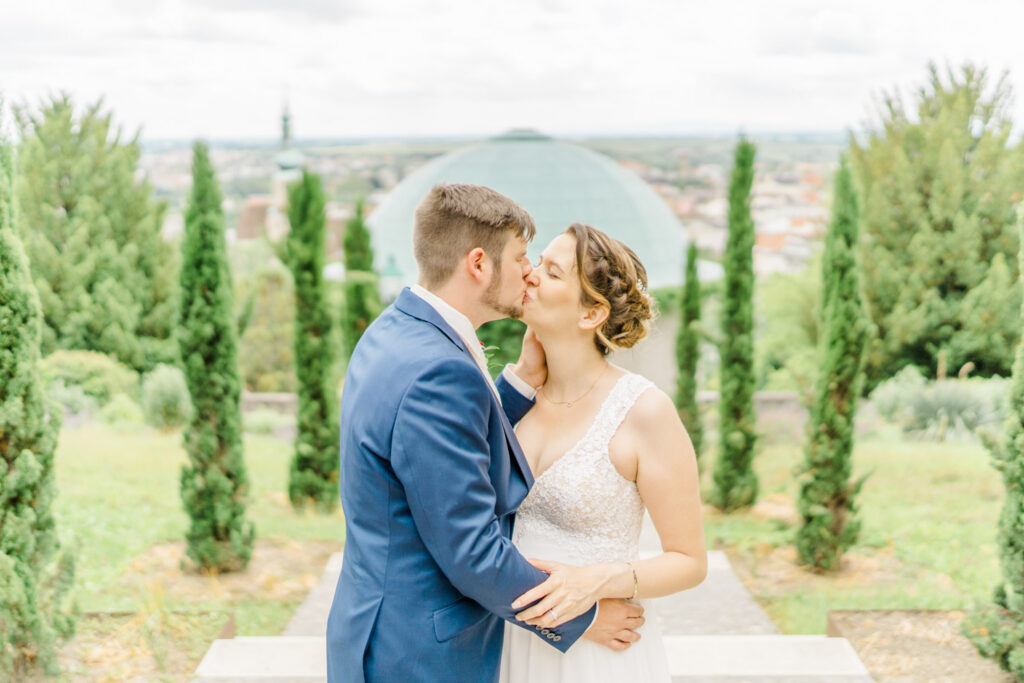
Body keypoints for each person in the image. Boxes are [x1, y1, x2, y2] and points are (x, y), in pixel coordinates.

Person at [326, 185, 644, 683]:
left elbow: (439, 446)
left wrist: (517, 384)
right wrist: (584, 618)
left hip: (376, 625)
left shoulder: (395, 331)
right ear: (478, 263)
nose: (529, 272)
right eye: (520, 257)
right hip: (419, 654)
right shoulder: (438, 371)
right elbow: (471, 551)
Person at [499, 223, 708, 683]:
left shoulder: (644, 411)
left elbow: (689, 562)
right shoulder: (511, 400)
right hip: (509, 640)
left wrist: (595, 582)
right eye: (538, 263)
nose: (530, 275)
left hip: (598, 655)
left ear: (591, 314)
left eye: (551, 273)